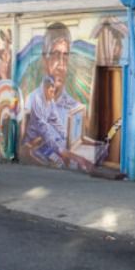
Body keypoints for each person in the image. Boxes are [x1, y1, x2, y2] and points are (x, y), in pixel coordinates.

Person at [21, 22, 91, 171]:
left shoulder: (76, 108)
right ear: (44, 60)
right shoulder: (33, 101)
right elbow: (32, 145)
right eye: (55, 56)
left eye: (65, 57)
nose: (61, 66)